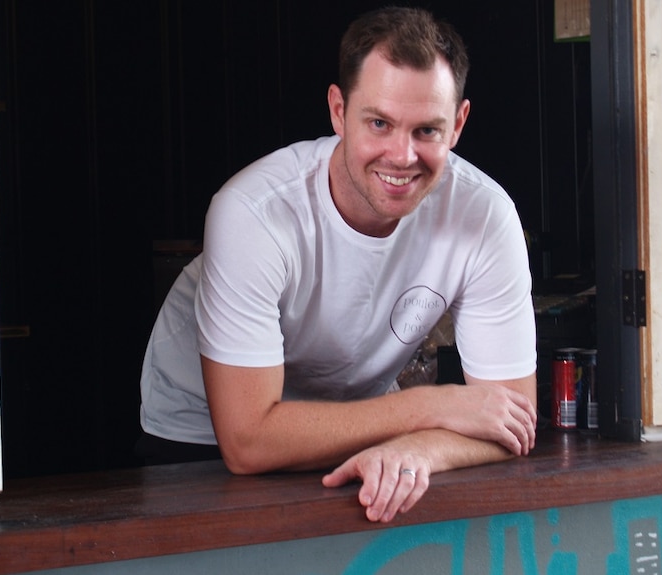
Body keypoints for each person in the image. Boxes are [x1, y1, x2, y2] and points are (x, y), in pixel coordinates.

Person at [137, 5, 537, 523]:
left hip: (372, 423)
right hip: (203, 435)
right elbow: (249, 443)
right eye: (379, 123)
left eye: (427, 131)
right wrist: (431, 409)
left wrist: (421, 449)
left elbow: (510, 420)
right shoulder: (253, 211)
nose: (402, 156)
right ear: (337, 111)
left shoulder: (485, 213)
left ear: (458, 123)